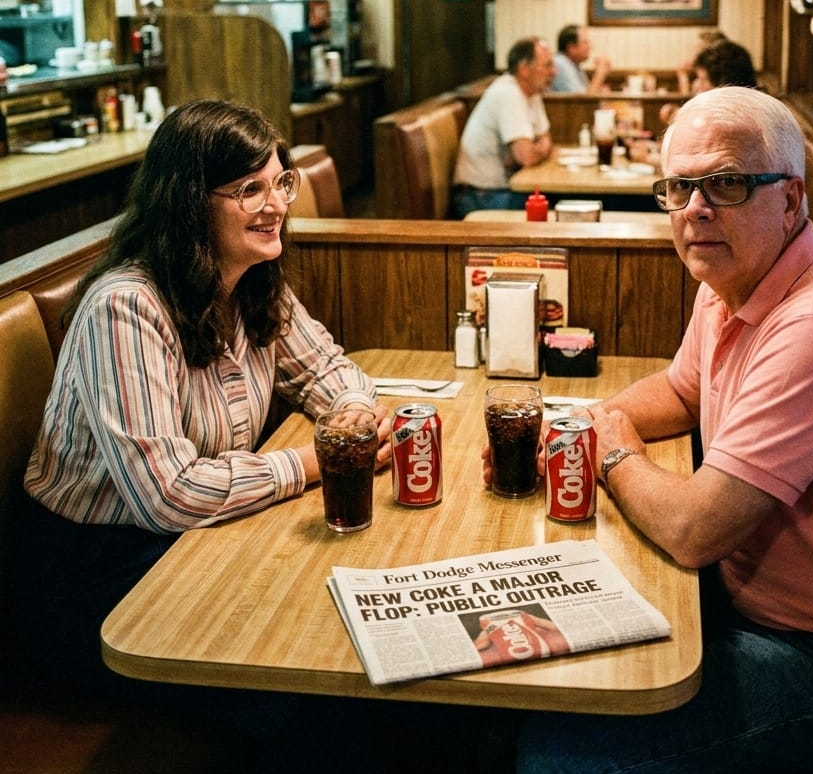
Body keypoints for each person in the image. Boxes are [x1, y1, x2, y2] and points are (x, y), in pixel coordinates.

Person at [505, 87, 813, 774]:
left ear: (791, 197)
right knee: (550, 671)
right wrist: (578, 426)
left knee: (562, 759)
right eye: (678, 187)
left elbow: (693, 530)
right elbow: (683, 393)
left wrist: (613, 451)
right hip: (763, 615)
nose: (695, 209)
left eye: (727, 182)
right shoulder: (731, 277)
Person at [15, 99, 394, 699]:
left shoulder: (251, 280)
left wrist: (350, 417)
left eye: (280, 184)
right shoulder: (128, 307)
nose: (276, 207)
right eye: (249, 189)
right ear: (189, 202)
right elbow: (169, 496)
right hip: (97, 576)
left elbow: (327, 369)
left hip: (192, 541)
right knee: (302, 672)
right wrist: (314, 461)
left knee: (340, 614)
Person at [451, 36, 554, 217]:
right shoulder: (508, 93)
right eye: (547, 65)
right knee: (559, 206)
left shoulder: (532, 93)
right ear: (524, 69)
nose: (554, 71)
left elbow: (546, 139)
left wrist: (537, 148)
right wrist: (538, 149)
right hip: (480, 197)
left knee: (565, 203)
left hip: (501, 190)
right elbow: (527, 157)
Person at [659, 35, 755, 127]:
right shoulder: (747, 104)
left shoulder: (730, 117)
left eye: (703, 79)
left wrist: (676, 115)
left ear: (723, 83)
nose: (698, 85)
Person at [550, 24, 611, 93]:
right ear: (571, 48)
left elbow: (587, 92)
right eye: (585, 43)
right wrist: (600, 72)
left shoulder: (574, 64)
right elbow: (582, 101)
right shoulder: (560, 64)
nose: (590, 47)